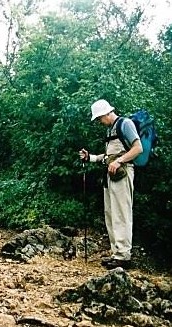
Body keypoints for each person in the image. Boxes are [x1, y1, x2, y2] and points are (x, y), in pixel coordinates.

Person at [79, 99, 142, 269]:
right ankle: (116, 254)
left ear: (107, 113)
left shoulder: (125, 124)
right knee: (111, 214)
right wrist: (90, 158)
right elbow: (108, 157)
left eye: (99, 118)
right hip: (111, 176)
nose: (99, 122)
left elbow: (138, 148)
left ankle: (123, 256)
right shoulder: (110, 129)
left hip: (123, 173)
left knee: (121, 214)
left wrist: (119, 161)